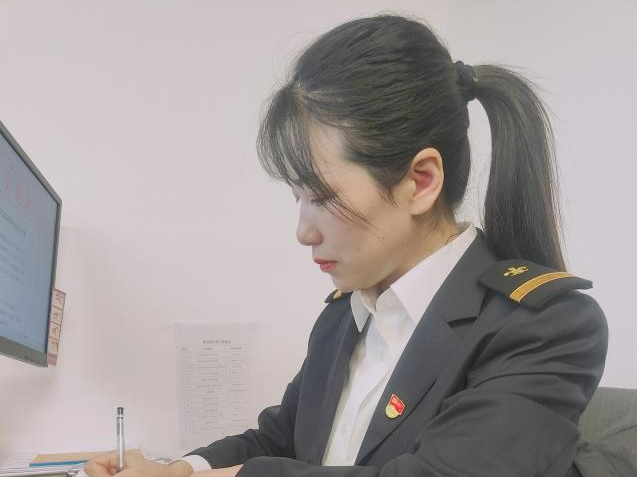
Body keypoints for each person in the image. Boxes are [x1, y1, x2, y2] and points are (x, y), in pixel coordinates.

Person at [85, 13, 608, 477]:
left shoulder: (545, 327)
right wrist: (178, 467)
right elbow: (280, 438)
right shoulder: (346, 315)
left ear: (421, 181)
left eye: (323, 197)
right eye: (298, 199)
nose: (304, 232)